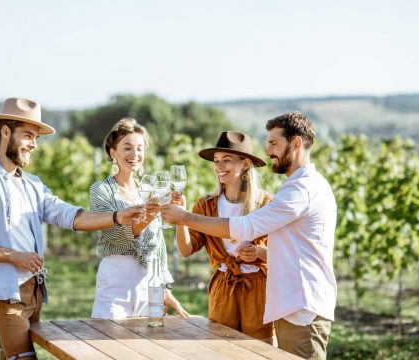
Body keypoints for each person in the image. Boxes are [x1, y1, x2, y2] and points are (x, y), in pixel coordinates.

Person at [0, 98, 145, 360]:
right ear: (5, 131)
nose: (34, 143)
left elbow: (70, 216)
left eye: (37, 138)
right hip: (3, 293)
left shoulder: (32, 185)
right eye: (28, 135)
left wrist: (117, 216)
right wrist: (13, 256)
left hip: (34, 290)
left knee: (7, 355)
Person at [161, 112, 337, 360]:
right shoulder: (297, 186)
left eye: (274, 143)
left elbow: (246, 227)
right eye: (216, 160)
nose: (268, 150)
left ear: (296, 143)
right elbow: (290, 247)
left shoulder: (299, 189)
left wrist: (184, 218)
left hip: (300, 305)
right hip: (289, 303)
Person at [170, 131, 274, 343]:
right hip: (223, 288)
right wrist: (181, 218)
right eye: (216, 161)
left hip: (257, 290)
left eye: (226, 160)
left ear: (245, 164)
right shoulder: (206, 205)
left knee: (261, 352)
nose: (219, 166)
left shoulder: (266, 204)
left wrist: (259, 252)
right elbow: (186, 250)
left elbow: (282, 254)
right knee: (221, 350)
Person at [89, 118, 189, 320]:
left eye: (140, 148)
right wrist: (149, 217)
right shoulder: (100, 190)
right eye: (127, 148)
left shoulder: (150, 191)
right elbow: (113, 235)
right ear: (112, 153)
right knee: (108, 343)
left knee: (148, 346)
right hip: (116, 279)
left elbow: (158, 245)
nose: (135, 155)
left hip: (149, 283)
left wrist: (165, 288)